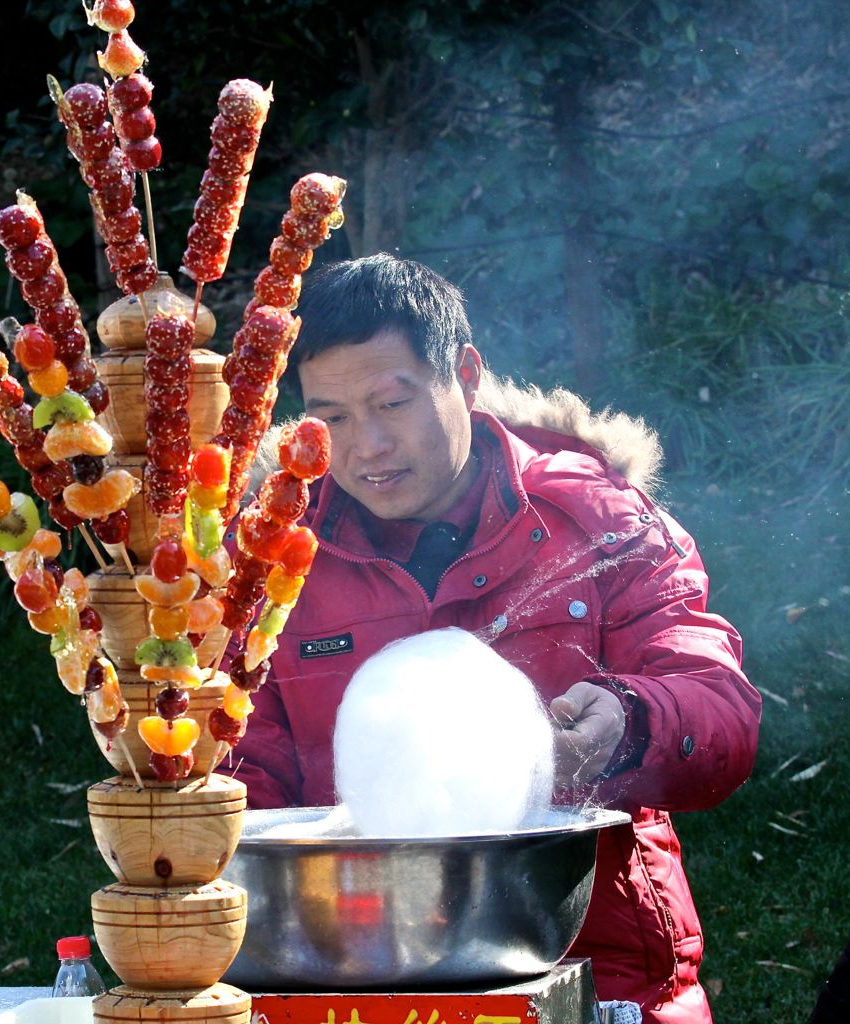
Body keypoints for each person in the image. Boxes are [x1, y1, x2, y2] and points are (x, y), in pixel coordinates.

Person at [232, 253, 762, 1023]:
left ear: (466, 376)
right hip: (355, 976)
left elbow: (721, 710)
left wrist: (629, 723)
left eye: (391, 403)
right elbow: (245, 778)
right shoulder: (276, 563)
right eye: (333, 418)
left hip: (594, 968)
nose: (366, 446)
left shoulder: (597, 526)